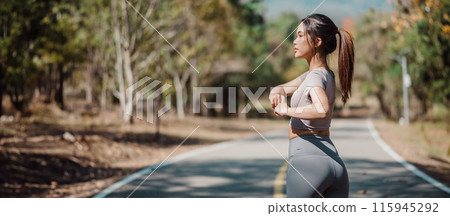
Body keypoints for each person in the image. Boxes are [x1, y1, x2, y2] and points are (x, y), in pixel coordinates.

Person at [269, 13, 354, 198]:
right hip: (334, 165)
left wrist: (286, 110)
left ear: (317, 42)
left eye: (300, 36)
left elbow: (321, 109)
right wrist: (276, 92)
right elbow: (282, 88)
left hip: (308, 165)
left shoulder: (314, 78)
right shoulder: (321, 74)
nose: (294, 41)